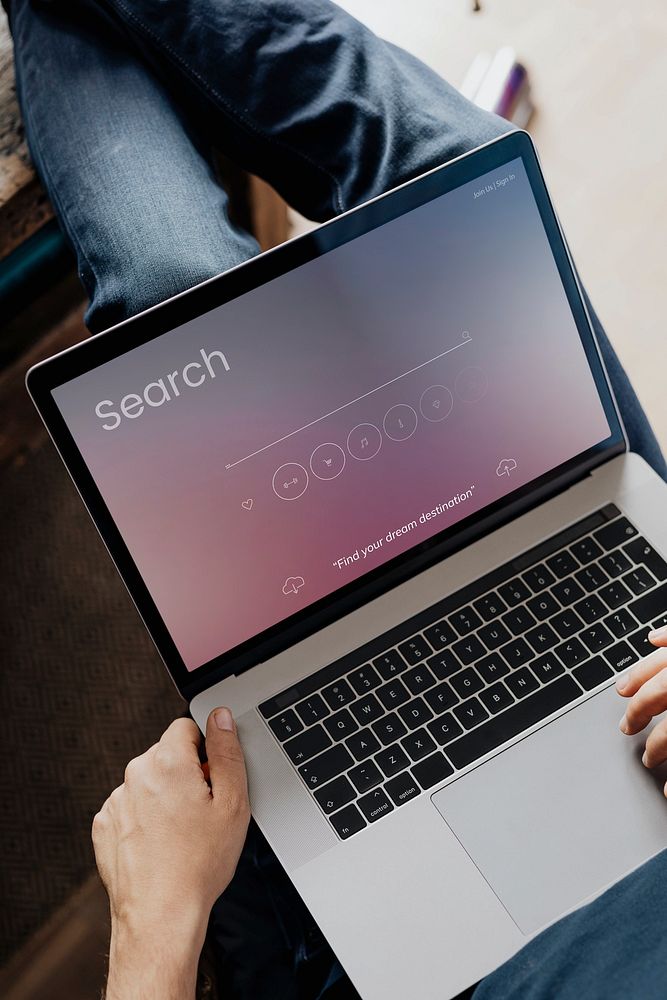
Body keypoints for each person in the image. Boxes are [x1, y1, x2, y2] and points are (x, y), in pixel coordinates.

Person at [4, 0, 667, 996]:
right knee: (451, 165)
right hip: (630, 665)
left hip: (429, 960)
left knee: (176, 294)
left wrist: (152, 935)